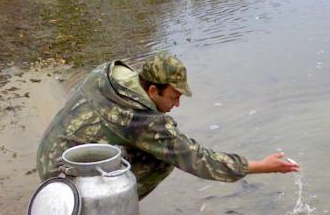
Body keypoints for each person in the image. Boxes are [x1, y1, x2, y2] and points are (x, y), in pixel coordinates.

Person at [37, 54, 299, 199]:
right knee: (161, 161)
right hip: (62, 183)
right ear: (152, 90)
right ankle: (103, 209)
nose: (177, 104)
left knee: (150, 150)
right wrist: (261, 166)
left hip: (49, 154)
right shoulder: (143, 120)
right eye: (174, 97)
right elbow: (198, 159)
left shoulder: (110, 74)